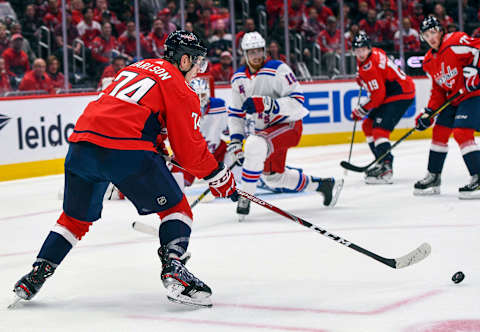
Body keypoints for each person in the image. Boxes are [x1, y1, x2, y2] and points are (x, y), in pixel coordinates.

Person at [12, 30, 237, 308]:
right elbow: (189, 151)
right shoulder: (180, 86)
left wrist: (154, 144)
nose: (198, 71)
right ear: (184, 60)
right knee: (177, 209)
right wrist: (218, 175)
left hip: (81, 146)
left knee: (74, 219)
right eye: (197, 63)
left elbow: (127, 110)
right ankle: (174, 271)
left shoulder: (137, 66)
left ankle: (35, 275)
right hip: (125, 151)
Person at [227, 31, 343, 221]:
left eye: (259, 51)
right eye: (251, 52)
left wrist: (268, 104)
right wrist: (236, 141)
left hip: (288, 125)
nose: (256, 56)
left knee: (255, 144)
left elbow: (298, 102)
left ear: (264, 50)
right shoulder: (238, 79)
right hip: (264, 131)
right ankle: (323, 185)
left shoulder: (278, 69)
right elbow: (235, 114)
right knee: (273, 177)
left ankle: (245, 198)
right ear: (244, 54)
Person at [413, 16, 480, 199]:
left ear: (440, 31)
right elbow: (438, 90)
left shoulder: (455, 41)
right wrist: (429, 112)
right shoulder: (428, 61)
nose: (431, 38)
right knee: (439, 133)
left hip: (473, 94)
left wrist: (477, 71)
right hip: (454, 99)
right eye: (426, 35)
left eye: (433, 32)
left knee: (461, 132)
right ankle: (434, 176)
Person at [351, 31, 415, 184]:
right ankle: (380, 161)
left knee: (380, 130)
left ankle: (386, 168)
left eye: (363, 49)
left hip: (401, 93)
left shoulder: (369, 68)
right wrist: (364, 80)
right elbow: (379, 79)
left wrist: (362, 109)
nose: (360, 53)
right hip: (394, 90)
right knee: (368, 125)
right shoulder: (375, 53)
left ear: (368, 48)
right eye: (357, 50)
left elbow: (378, 96)